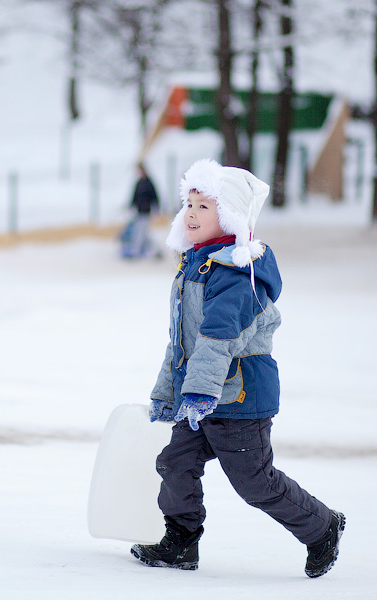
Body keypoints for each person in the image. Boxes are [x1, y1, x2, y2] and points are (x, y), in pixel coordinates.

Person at [131, 158, 345, 578]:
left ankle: (323, 527)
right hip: (203, 394)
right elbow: (181, 343)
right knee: (175, 463)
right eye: (188, 204)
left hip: (238, 397)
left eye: (204, 207)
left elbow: (218, 338)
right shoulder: (197, 264)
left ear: (228, 217)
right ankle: (181, 542)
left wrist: (198, 392)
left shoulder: (234, 273)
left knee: (254, 483)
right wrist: (167, 393)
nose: (191, 213)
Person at [124, 163, 160, 259]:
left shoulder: (148, 182)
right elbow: (134, 196)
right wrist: (131, 207)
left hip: (146, 212)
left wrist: (156, 208)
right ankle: (149, 250)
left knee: (141, 232)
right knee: (140, 232)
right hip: (139, 212)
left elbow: (154, 195)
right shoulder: (139, 182)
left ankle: (140, 251)